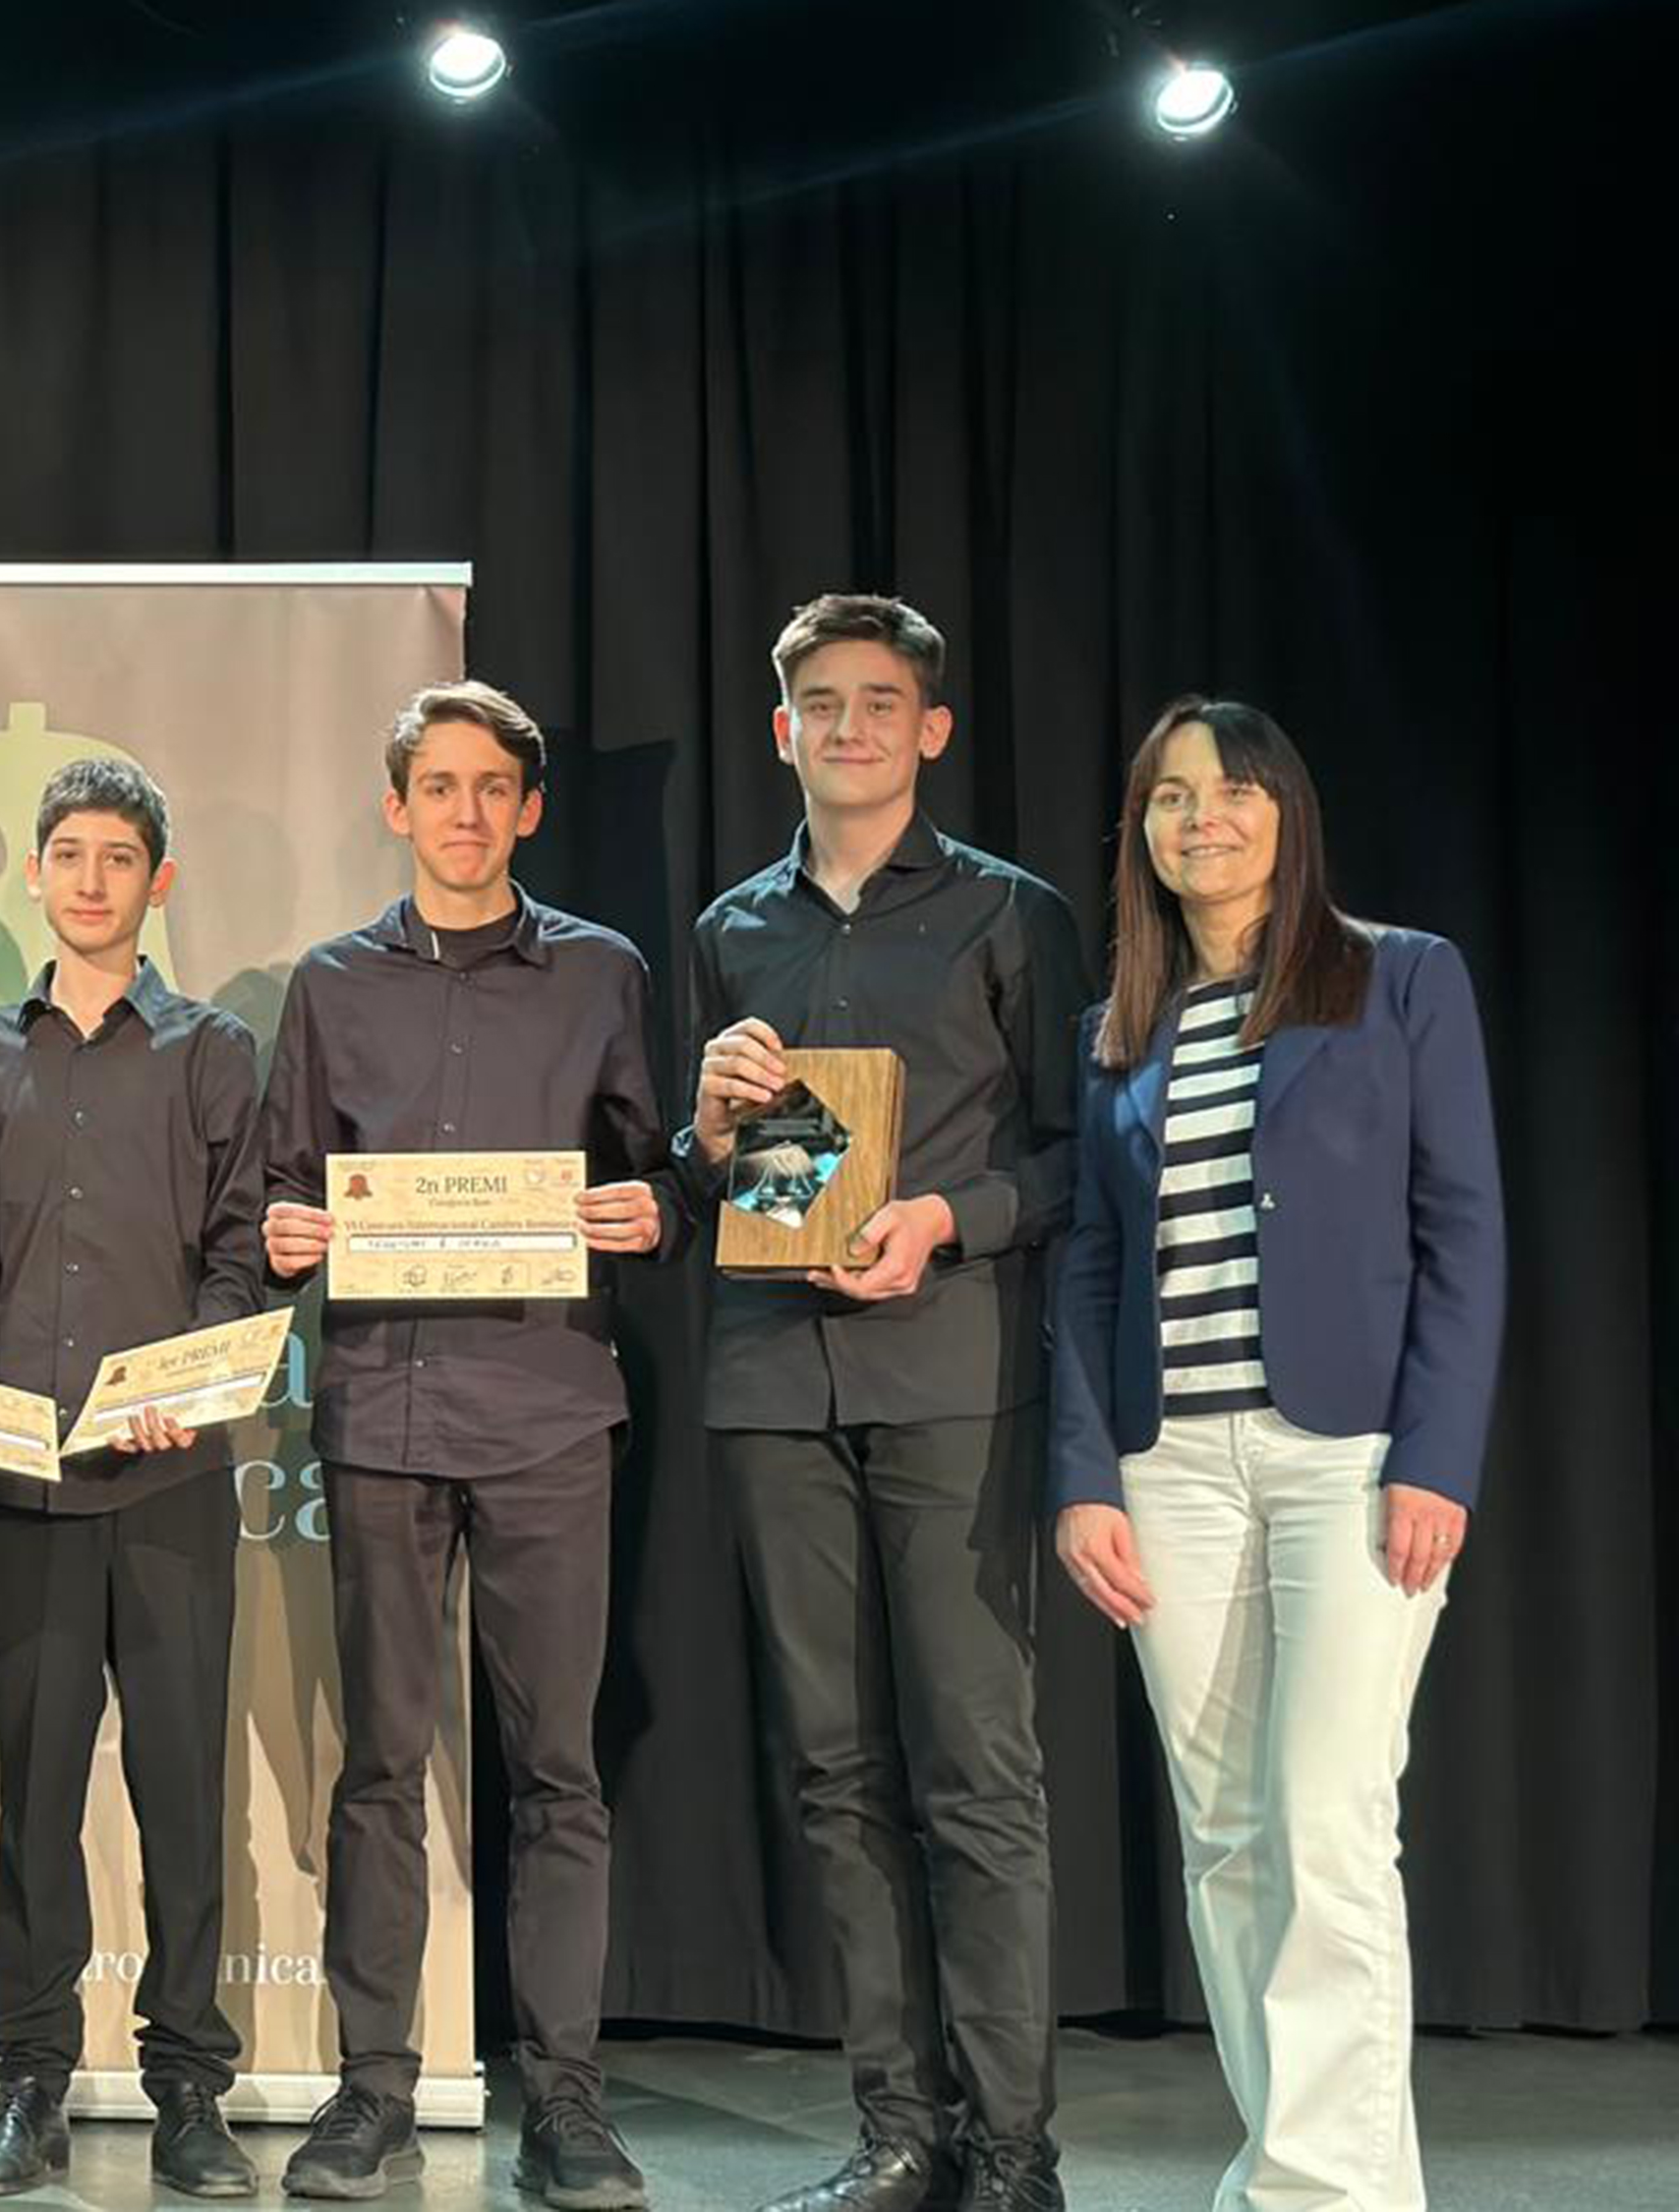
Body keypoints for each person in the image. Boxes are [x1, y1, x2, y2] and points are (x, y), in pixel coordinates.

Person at [1051, 699, 1502, 2212]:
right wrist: (1085, 1477)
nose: (1206, 818)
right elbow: (1092, 1265)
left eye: (1235, 788)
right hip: (1171, 1465)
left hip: (1349, 1458)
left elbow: (1464, 1231)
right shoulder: (1120, 1029)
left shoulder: (1401, 977)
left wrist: (1437, 1453)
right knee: (1231, 1841)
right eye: (1174, 796)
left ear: (1287, 811)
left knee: (1327, 1818)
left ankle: (1306, 2189)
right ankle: (1337, 2182)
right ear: (1144, 833)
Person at [678, 595, 1086, 2212]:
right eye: (822, 704)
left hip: (952, 1377)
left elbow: (1074, 1157)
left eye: (880, 701)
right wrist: (713, 1136)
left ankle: (1013, 2150)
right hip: (776, 1377)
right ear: (783, 730)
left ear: (931, 727)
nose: (849, 727)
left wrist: (946, 1217)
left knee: (977, 1771)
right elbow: (723, 1179)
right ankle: (901, 2134)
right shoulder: (733, 929)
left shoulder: (1011, 915)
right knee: (836, 1771)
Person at [258, 681, 680, 2212]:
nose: (464, 810)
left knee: (557, 1769)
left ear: (529, 808)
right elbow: (280, 1185)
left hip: (550, 1407)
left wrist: (653, 1212)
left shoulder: (602, 971)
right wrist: (285, 1231)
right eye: (437, 785)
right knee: (380, 1763)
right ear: (398, 807)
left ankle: (566, 2102)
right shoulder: (329, 983)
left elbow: (657, 1171)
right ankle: (375, 2089)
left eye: (491, 786)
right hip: (382, 1410)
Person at [0, 759, 264, 2201]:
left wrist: (194, 1375)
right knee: (38, 1791)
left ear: (157, 880)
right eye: (69, 853)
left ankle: (189, 2088)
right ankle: (28, 2082)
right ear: (36, 874)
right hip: (24, 1481)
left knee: (182, 1792)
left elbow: (243, 1252)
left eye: (120, 856)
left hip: (170, 1481)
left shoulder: (213, 1050)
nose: (93, 879)